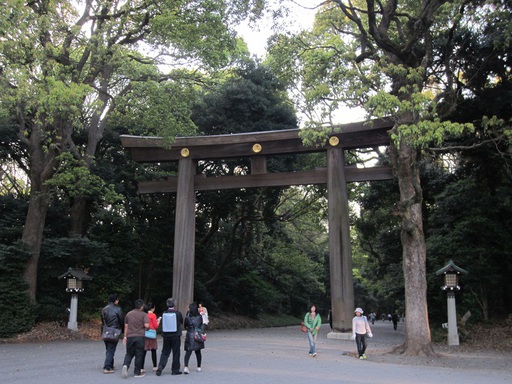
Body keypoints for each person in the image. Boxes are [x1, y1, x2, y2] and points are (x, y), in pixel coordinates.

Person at [121, 299, 149, 378]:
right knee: (139, 354)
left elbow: (126, 326)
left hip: (130, 336)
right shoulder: (143, 314)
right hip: (140, 336)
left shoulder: (129, 314)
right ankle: (137, 372)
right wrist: (148, 327)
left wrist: (125, 336)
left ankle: (125, 365)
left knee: (129, 353)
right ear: (142, 306)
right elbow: (146, 325)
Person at [155, 298, 184, 376]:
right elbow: (181, 321)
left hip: (166, 335)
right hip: (176, 335)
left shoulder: (164, 313)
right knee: (176, 352)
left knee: (165, 352)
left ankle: (160, 367)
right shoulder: (178, 313)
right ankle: (175, 370)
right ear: (174, 304)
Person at [101, 294, 124, 374]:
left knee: (109, 348)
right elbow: (121, 320)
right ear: (115, 300)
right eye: (117, 300)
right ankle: (107, 367)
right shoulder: (118, 309)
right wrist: (123, 331)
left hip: (105, 330)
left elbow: (102, 321)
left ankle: (111, 364)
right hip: (114, 331)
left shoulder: (104, 309)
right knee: (111, 349)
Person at [183, 303, 205, 374]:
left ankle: (186, 367)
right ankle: (199, 367)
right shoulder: (199, 317)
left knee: (188, 351)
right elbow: (201, 325)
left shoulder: (187, 317)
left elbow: (185, 326)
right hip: (197, 334)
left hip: (190, 334)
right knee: (198, 351)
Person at [141, 302, 160, 372]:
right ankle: (155, 366)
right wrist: (158, 322)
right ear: (152, 308)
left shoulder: (144, 315)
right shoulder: (153, 315)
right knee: (153, 350)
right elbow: (155, 326)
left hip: (145, 333)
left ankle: (141, 367)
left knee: (144, 351)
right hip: (152, 334)